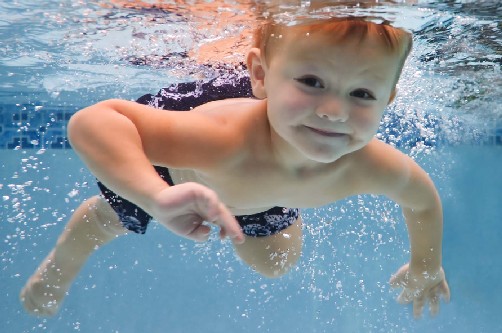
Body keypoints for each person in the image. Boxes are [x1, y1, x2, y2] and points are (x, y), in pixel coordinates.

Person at [20, 16, 450, 318]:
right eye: (312, 82)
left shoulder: (371, 165)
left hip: (259, 181)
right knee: (115, 216)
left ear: (387, 102)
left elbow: (422, 201)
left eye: (362, 94)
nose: (335, 111)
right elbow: (93, 121)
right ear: (260, 76)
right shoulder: (217, 140)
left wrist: (426, 264)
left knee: (276, 263)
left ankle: (271, 199)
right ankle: (63, 263)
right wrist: (155, 195)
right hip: (176, 173)